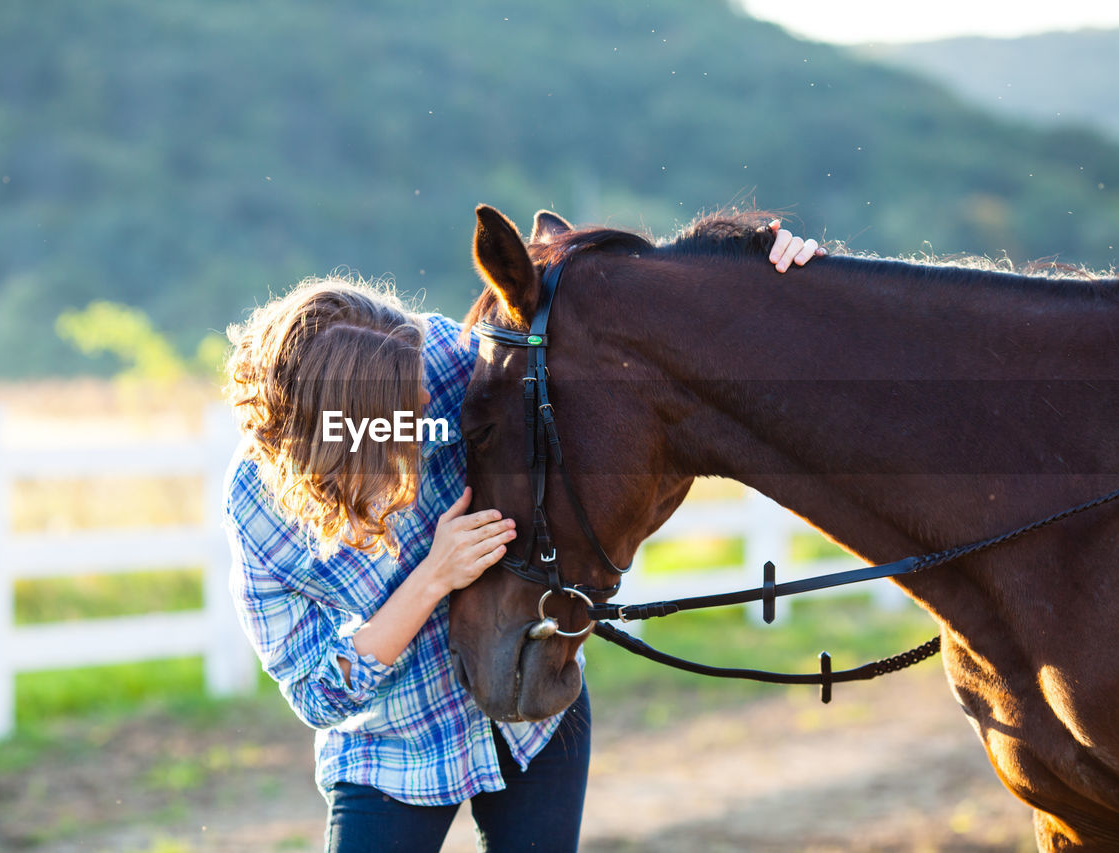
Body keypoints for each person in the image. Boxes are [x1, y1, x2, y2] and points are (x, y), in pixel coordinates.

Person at [222, 219, 823, 852]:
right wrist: (433, 578)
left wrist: (755, 266)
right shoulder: (259, 513)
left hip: (535, 717)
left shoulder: (446, 366)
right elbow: (318, 694)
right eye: (408, 398)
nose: (431, 392)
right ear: (344, 425)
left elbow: (607, 325)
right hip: (392, 755)